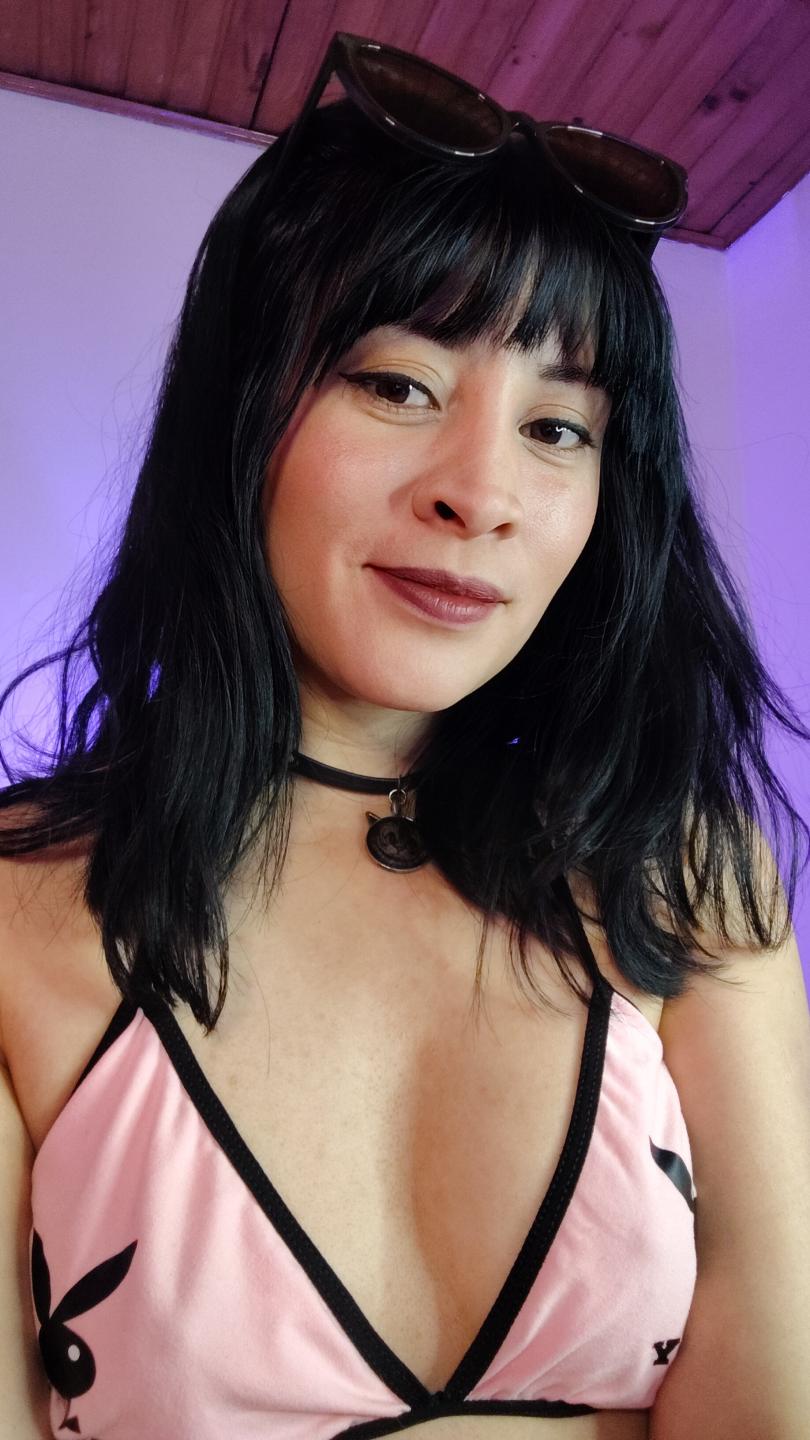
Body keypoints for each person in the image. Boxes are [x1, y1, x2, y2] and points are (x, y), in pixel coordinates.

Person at [1, 31, 809, 1440]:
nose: (480, 493)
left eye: (559, 427)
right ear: (243, 409)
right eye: (399, 385)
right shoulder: (17, 903)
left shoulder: (679, 867)